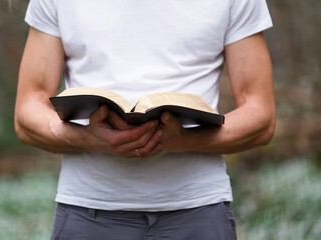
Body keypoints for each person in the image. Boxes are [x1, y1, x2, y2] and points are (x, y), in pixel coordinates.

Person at [14, 0, 275, 239]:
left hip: (198, 210)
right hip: (87, 211)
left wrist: (185, 141)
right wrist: (88, 139)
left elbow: (261, 116)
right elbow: (27, 111)